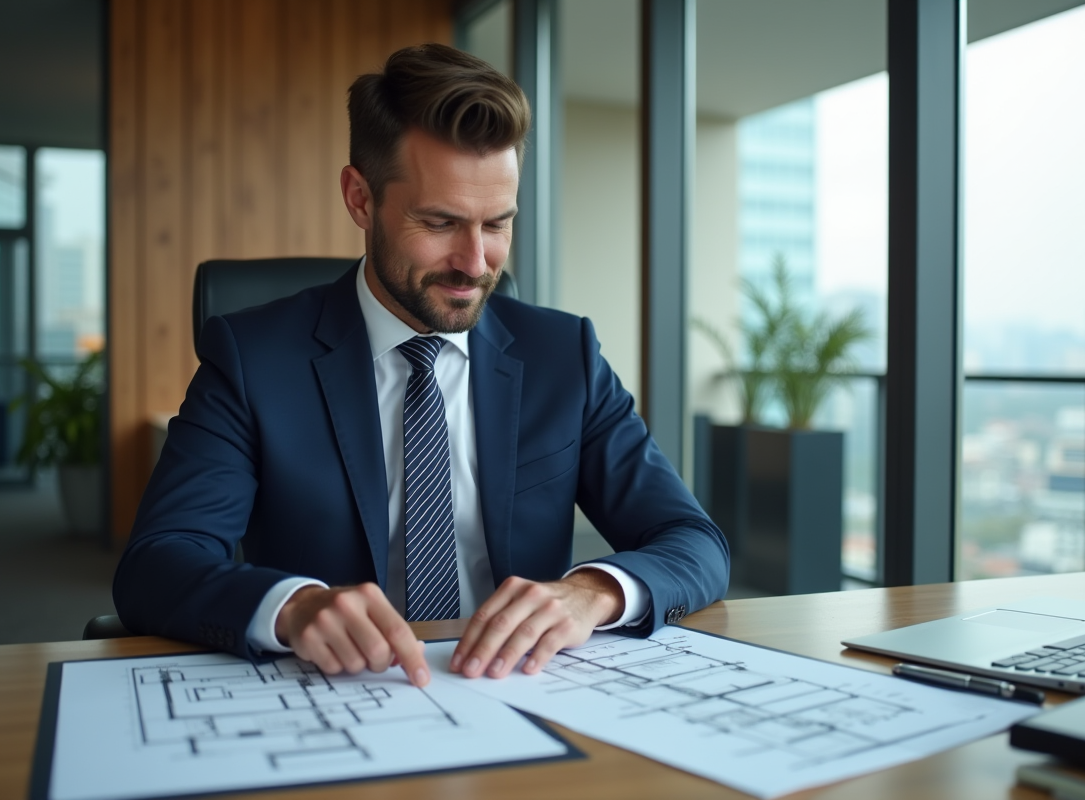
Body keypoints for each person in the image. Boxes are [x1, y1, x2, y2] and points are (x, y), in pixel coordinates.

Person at [113, 43, 728, 689]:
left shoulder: (563, 356)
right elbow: (158, 562)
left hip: (519, 694)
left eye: (498, 224)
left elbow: (692, 540)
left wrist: (595, 592)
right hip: (336, 694)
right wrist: (293, 607)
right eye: (439, 222)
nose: (476, 262)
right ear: (360, 199)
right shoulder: (253, 358)